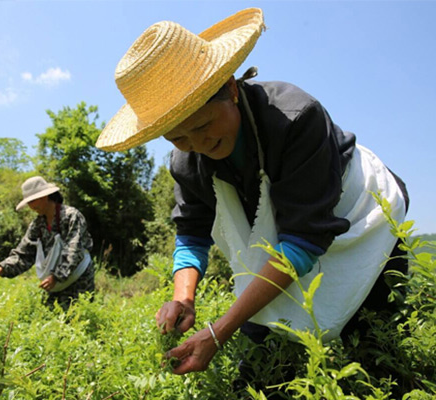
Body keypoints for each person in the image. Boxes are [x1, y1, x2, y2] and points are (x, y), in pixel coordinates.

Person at [95, 7, 409, 379]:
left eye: (204, 124)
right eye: (178, 137)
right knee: (259, 371)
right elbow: (192, 232)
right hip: (283, 243)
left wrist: (219, 330)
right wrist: (184, 298)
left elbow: (304, 240)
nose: (198, 144)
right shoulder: (186, 161)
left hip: (364, 222)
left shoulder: (294, 118)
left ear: (230, 88)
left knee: (375, 352)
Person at [0, 176, 95, 309]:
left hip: (77, 276)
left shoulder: (71, 216)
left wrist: (57, 276)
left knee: (77, 315)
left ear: (45, 196)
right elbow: (23, 253)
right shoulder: (37, 225)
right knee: (50, 317)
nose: (31, 206)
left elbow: (73, 250)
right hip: (52, 279)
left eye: (33, 201)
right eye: (29, 202)